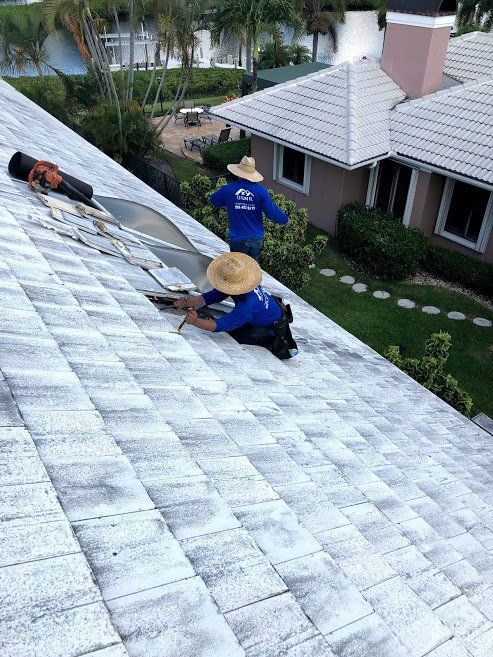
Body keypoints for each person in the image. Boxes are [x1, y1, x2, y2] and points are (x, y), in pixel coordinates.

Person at [174, 252, 298, 359]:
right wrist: (189, 303)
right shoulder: (244, 283)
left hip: (273, 327)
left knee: (235, 335)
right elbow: (212, 296)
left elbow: (220, 326)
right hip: (265, 312)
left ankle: (275, 340)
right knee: (236, 325)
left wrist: (195, 321)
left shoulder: (246, 307)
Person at [210, 156, 288, 261]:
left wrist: (232, 201)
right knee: (251, 268)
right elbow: (272, 212)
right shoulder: (261, 191)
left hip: (238, 238)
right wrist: (285, 220)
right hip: (256, 238)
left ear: (238, 173)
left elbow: (214, 200)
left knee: (237, 269)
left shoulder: (228, 189)